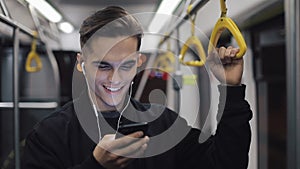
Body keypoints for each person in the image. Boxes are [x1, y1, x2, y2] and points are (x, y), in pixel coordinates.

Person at [21, 6, 252, 169]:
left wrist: (231, 89)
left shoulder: (164, 124)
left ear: (139, 62)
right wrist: (96, 166)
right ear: (81, 63)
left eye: (127, 65)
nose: (115, 78)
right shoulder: (49, 135)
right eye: (103, 66)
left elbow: (226, 164)